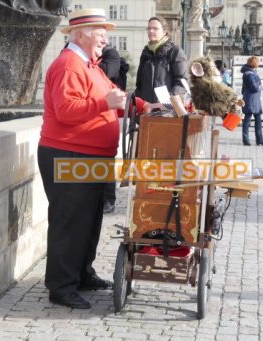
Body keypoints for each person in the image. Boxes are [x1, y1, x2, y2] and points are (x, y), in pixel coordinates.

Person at [38, 8, 156, 309]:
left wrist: (144, 106)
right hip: (69, 153)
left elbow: (116, 96)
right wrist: (103, 103)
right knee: (70, 222)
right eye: (99, 29)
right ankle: (61, 287)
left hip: (89, 156)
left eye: (105, 29)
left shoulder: (90, 66)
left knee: (89, 221)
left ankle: (82, 273)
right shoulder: (68, 65)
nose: (105, 35)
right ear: (80, 34)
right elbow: (66, 111)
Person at [135, 16, 188, 103]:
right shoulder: (145, 53)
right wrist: (140, 105)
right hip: (146, 110)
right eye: (149, 28)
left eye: (155, 28)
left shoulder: (175, 51)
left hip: (167, 111)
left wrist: (167, 102)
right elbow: (139, 85)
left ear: (164, 31)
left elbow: (182, 82)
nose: (151, 31)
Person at [98, 45, 124, 214]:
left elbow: (108, 73)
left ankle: (109, 199)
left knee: (106, 159)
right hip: (95, 114)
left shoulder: (111, 53)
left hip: (108, 113)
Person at [241, 55, 263, 146]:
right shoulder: (249, 74)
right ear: (254, 64)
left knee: (257, 120)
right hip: (251, 99)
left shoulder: (250, 72)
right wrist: (262, 86)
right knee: (247, 120)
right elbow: (254, 87)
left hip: (254, 98)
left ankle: (259, 139)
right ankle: (246, 139)